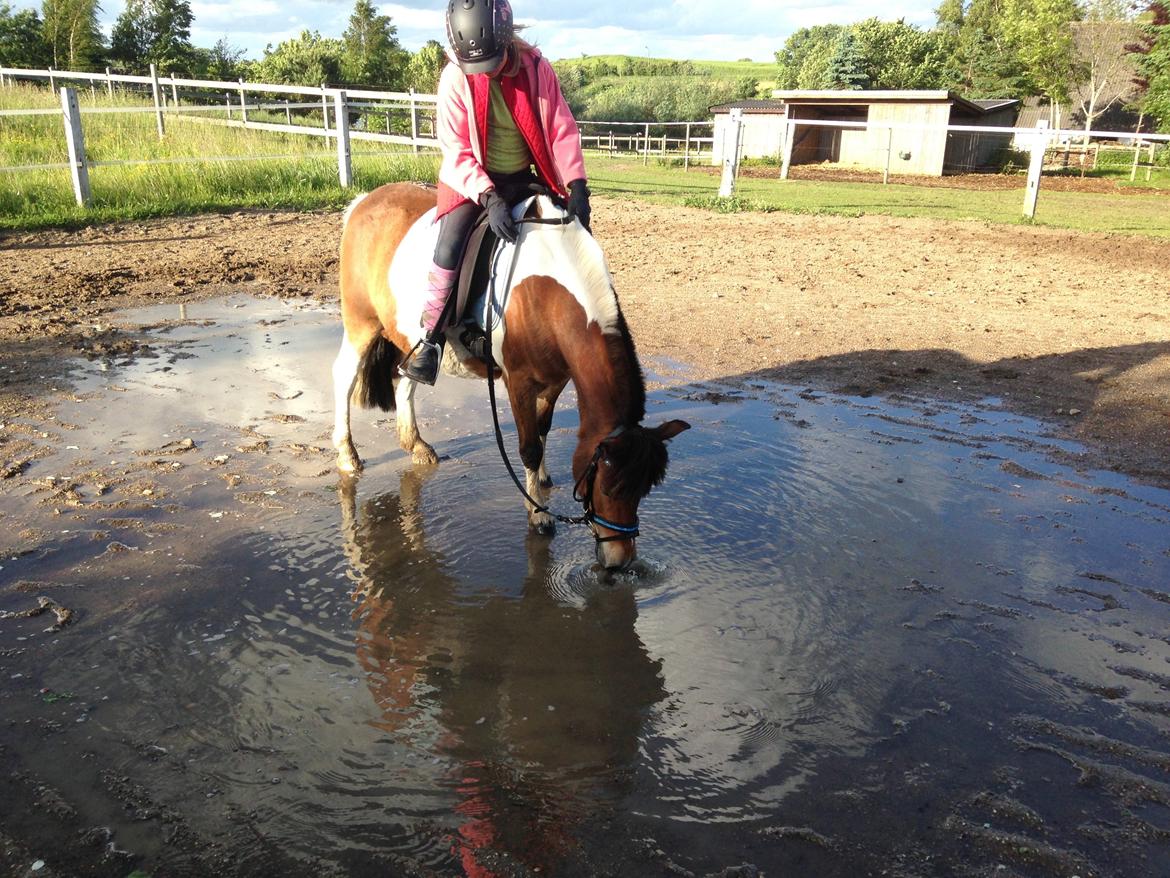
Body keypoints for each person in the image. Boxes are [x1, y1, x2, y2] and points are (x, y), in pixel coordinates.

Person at [398, 0, 592, 386]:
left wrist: (577, 184)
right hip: (470, 180)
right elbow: (457, 152)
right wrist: (488, 197)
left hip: (522, 176)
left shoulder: (536, 68)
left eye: (492, 61)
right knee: (451, 244)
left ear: (506, 39)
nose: (484, 73)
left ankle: (589, 324)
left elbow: (560, 127)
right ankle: (431, 340)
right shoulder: (455, 78)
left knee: (574, 235)